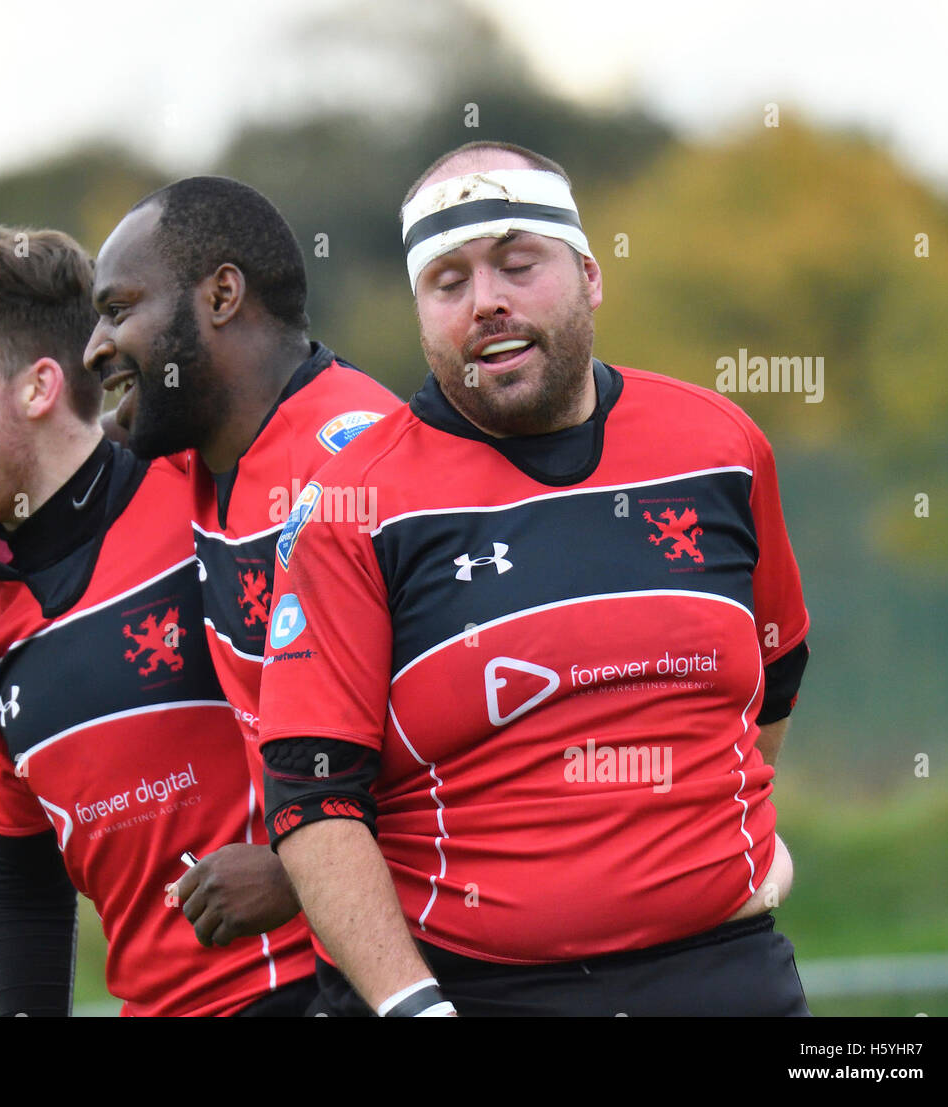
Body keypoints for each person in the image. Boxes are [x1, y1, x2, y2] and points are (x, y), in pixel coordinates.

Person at [258, 141, 812, 1017]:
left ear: (590, 275)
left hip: (726, 976)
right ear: (421, 314)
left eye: (518, 265)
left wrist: (714, 846)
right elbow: (309, 791)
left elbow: (775, 676)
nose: (487, 302)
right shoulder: (351, 504)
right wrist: (413, 1007)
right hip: (476, 994)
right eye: (448, 282)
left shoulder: (722, 445)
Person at [0, 179, 402, 975]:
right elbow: (25, 879)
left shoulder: (209, 475)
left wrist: (298, 869)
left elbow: (428, 742)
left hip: (332, 978)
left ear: (40, 386)